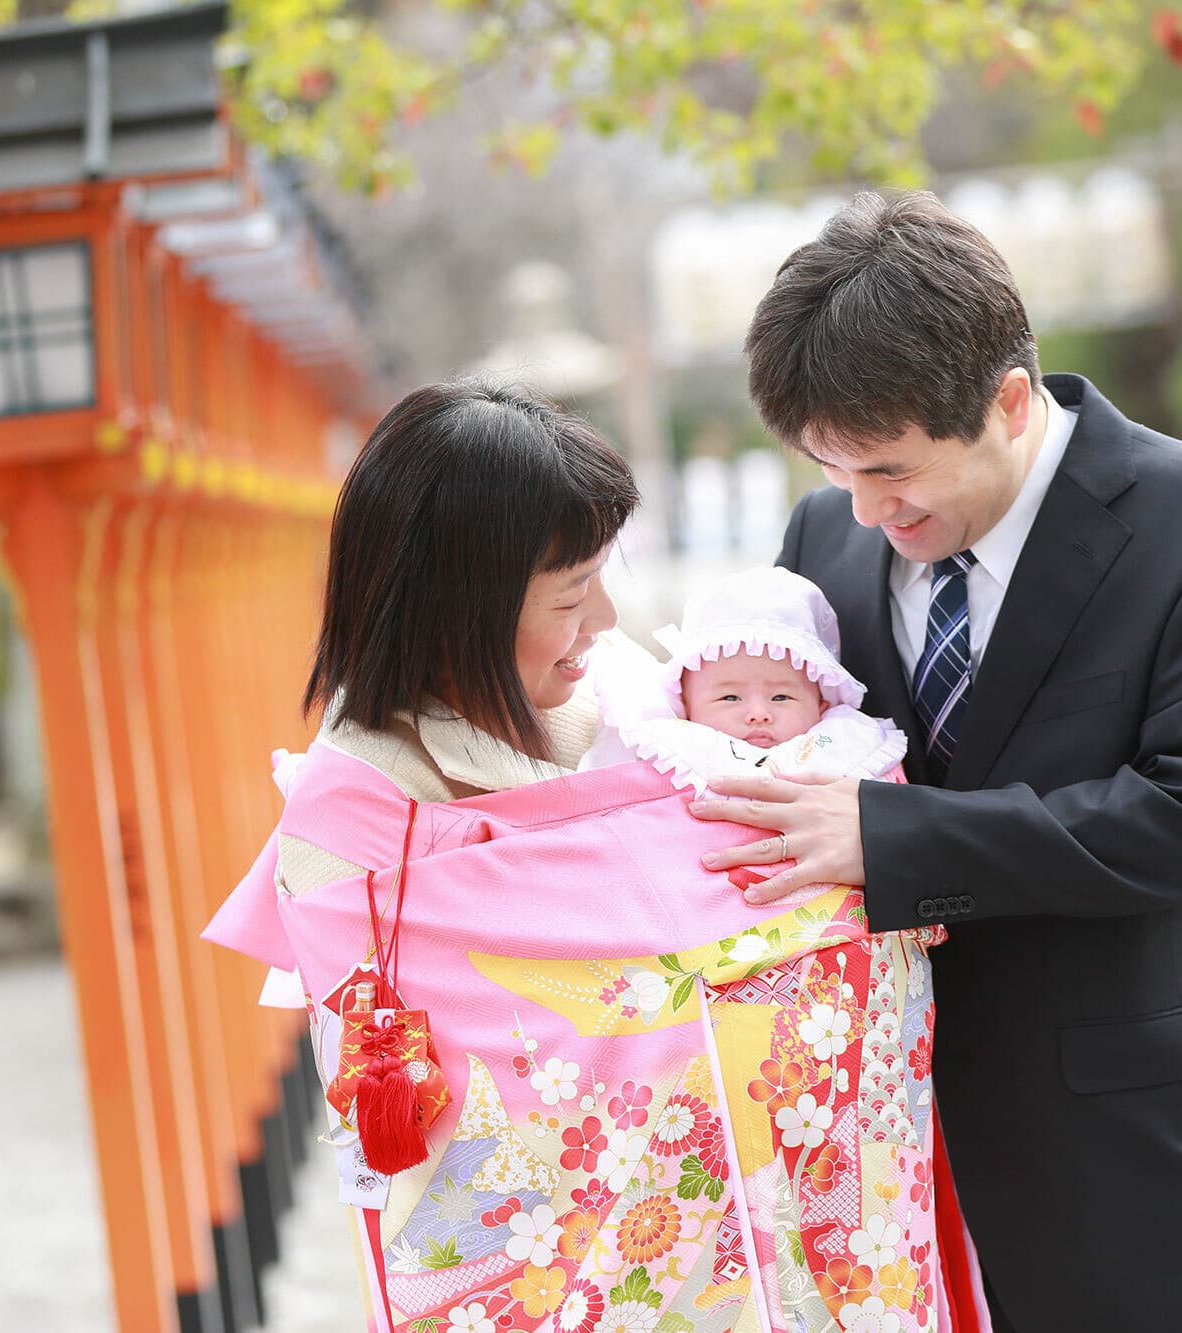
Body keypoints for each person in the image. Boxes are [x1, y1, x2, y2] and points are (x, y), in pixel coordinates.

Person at [690, 189, 1182, 1333]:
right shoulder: (821, 540)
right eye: (831, 467)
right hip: (896, 1197)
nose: (861, 507)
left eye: (889, 470)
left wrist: (889, 841)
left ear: (1003, 400)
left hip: (1143, 1186)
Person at [207, 379, 982, 1332]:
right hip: (573, 1272)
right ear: (464, 606)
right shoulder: (357, 811)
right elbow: (470, 1084)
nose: (607, 619)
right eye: (572, 594)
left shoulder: (637, 709)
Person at [580, 565, 910, 794]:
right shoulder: (665, 748)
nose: (757, 713)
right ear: (686, 703)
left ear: (822, 704)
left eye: (781, 697)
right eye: (730, 698)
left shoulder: (848, 747)